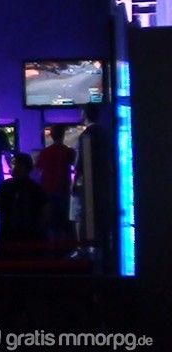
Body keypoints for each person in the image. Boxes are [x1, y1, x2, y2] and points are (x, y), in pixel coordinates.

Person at [72, 103, 112, 255]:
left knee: (87, 217)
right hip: (106, 183)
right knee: (104, 218)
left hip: (90, 185)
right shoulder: (106, 133)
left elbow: (80, 164)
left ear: (84, 115)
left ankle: (88, 251)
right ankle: (105, 250)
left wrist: (75, 183)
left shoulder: (85, 135)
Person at [0, 153, 48, 244]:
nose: (12, 167)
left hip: (9, 234)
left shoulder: (7, 185)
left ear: (25, 167)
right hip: (31, 235)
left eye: (14, 163)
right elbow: (46, 212)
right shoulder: (36, 188)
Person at [36, 124, 76, 239]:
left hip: (47, 191)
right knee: (64, 222)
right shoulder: (69, 152)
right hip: (63, 189)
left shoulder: (45, 152)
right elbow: (75, 166)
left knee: (49, 223)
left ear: (51, 136)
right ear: (63, 135)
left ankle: (51, 246)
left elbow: (38, 170)